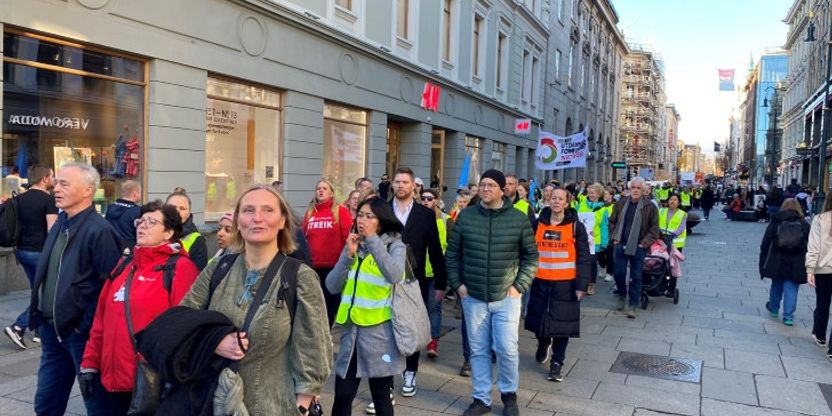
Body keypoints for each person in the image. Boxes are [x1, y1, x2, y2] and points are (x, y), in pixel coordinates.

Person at [179, 185, 332, 415]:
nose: (257, 218)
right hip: (214, 401)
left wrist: (302, 404)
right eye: (248, 210)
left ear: (282, 221)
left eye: (268, 210)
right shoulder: (218, 269)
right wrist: (213, 342)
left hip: (273, 406)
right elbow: (183, 319)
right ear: (238, 221)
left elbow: (314, 346)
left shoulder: (299, 276)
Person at [78, 201, 200, 415]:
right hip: (110, 380)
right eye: (141, 221)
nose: (142, 226)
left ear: (168, 232)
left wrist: (175, 376)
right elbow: (101, 320)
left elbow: (185, 330)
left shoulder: (179, 268)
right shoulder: (124, 265)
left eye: (152, 222)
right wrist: (89, 364)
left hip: (150, 383)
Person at [28, 163, 122, 415]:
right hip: (51, 330)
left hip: (81, 334)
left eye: (64, 184)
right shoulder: (61, 223)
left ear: (87, 190)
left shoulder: (100, 231)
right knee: (46, 403)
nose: (55, 189)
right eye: (56, 183)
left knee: (97, 404)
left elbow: (109, 286)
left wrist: (84, 324)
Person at [446, 169, 538, 416]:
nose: (485, 189)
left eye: (490, 186)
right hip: (473, 296)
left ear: (502, 190)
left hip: (506, 297)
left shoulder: (518, 219)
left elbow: (531, 257)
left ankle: (509, 395)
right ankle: (481, 399)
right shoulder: (466, 217)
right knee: (478, 350)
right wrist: (458, 284)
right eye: (482, 185)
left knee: (507, 349)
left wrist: (519, 286)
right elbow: (452, 254)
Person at [326, 197, 407, 416]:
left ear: (381, 220)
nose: (362, 220)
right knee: (342, 394)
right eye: (360, 215)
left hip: (379, 333)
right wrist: (348, 256)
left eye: (369, 216)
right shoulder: (354, 244)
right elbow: (332, 285)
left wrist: (372, 240)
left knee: (381, 396)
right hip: (351, 332)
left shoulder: (394, 245)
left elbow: (394, 275)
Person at [381, 167, 445, 404]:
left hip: (413, 279)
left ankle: (410, 373)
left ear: (413, 187)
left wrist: (441, 282)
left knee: (411, 327)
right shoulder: (383, 210)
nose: (400, 185)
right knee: (385, 330)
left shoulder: (425, 214)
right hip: (384, 279)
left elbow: (436, 251)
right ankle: (385, 382)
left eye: (404, 182)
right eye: (396, 182)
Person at [526, 188, 589, 382]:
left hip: (566, 285)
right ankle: (543, 342)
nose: (556, 202)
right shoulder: (537, 224)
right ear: (548, 200)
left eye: (560, 199)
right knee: (538, 321)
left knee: (563, 326)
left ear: (567, 203)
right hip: (540, 282)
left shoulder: (576, 227)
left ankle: (557, 364)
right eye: (553, 198)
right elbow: (528, 251)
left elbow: (583, 258)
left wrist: (582, 285)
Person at [4, 165, 57, 349]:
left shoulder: (20, 198)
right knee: (45, 294)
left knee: (39, 291)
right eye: (51, 175)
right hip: (40, 252)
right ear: (44, 179)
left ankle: (40, 332)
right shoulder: (49, 200)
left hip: (22, 252)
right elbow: (52, 230)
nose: (54, 179)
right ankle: (19, 326)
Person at [302, 179, 353, 327]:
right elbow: (304, 239)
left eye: (325, 188)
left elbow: (348, 237)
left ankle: (327, 335)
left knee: (330, 305)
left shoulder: (340, 211)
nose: (321, 191)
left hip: (333, 267)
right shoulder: (310, 212)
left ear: (331, 192)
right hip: (313, 267)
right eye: (318, 188)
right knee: (314, 304)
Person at [608, 177, 659, 318]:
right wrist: (614, 238)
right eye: (633, 188)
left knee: (636, 276)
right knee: (618, 273)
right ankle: (622, 295)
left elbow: (654, 230)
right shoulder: (620, 203)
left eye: (638, 188)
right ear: (630, 189)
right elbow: (612, 221)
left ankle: (633, 304)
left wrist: (643, 243)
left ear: (643, 190)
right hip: (620, 244)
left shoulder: (650, 207)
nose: (635, 190)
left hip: (638, 246)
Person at [760, 198, 811, 326]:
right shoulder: (804, 223)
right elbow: (810, 243)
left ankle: (774, 308)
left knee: (777, 283)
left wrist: (763, 255)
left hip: (778, 258)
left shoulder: (776, 221)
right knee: (792, 287)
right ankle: (788, 317)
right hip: (797, 260)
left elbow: (766, 241)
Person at [420, 188, 451, 359]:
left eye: (429, 198)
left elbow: (452, 248)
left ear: (437, 201)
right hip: (417, 271)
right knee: (419, 308)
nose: (425, 201)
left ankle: (432, 342)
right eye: (423, 198)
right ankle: (419, 339)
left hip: (435, 272)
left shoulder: (446, 220)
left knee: (434, 307)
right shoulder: (415, 217)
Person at [574, 182, 609, 296]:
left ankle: (591, 284)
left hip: (595, 240)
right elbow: (573, 216)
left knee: (592, 263)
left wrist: (604, 242)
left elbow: (604, 226)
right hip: (580, 238)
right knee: (580, 261)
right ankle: (580, 283)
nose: (590, 195)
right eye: (589, 192)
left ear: (599, 194)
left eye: (593, 193)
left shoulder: (603, 209)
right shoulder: (581, 204)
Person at [807, 196, 832, 352]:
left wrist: (810, 269)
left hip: (824, 269)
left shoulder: (820, 219)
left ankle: (820, 334)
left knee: (822, 303)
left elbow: (814, 246)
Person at [166, 189, 208, 270]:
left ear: (189, 214)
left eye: (182, 208)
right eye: (172, 207)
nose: (177, 211)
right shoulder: (153, 232)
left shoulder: (197, 240)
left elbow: (197, 275)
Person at [659, 194, 687, 297]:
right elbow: (656, 223)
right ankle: (660, 285)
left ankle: (671, 288)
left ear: (679, 203)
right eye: (671, 199)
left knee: (673, 266)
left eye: (675, 200)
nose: (672, 201)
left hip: (675, 244)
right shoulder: (661, 211)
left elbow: (681, 227)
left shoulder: (682, 214)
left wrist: (672, 234)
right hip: (661, 242)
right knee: (661, 264)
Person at [105, 180, 142, 253]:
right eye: (140, 193)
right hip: (129, 251)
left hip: (111, 248)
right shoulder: (138, 211)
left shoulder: (110, 208)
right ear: (135, 193)